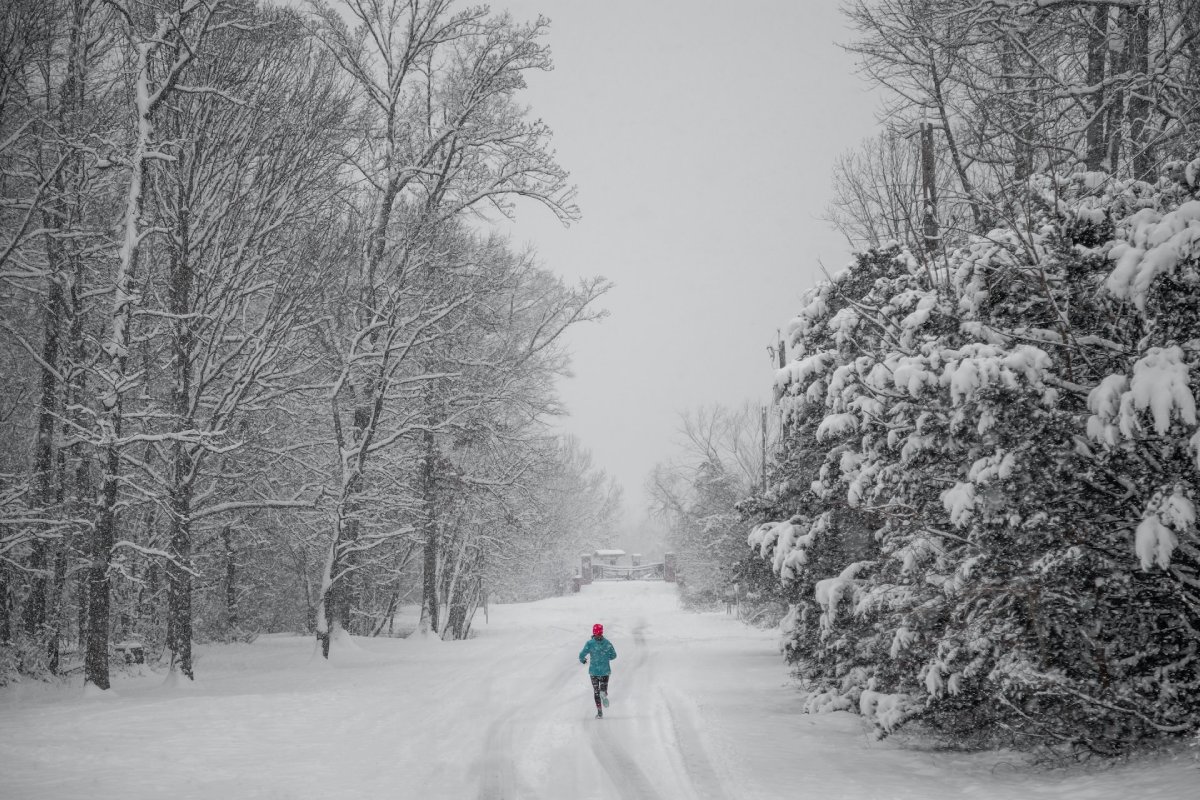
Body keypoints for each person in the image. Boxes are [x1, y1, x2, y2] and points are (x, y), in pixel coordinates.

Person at [578, 623, 617, 718]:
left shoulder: (590, 643)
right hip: (605, 671)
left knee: (596, 691)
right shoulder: (607, 643)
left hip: (594, 672)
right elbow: (614, 655)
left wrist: (583, 660)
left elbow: (581, 655)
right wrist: (606, 657)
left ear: (594, 632)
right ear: (602, 632)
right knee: (603, 689)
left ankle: (599, 712)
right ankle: (603, 693)